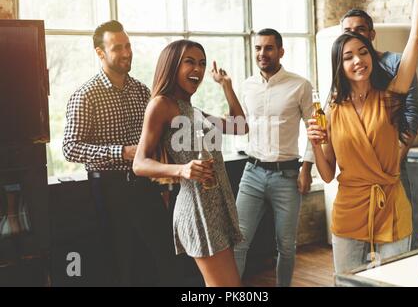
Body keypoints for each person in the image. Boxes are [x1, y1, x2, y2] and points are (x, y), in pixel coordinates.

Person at [307, 0, 418, 274]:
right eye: (348, 56)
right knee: (348, 282)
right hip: (349, 208)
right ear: (340, 64)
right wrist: (313, 143)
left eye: (363, 53)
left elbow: (416, 37)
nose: (358, 60)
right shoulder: (333, 109)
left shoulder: (390, 96)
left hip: (392, 206)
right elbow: (326, 174)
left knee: (394, 281)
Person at [63, 20, 179, 286]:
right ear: (100, 53)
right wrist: (122, 152)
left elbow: (157, 139)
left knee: (162, 258)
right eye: (117, 48)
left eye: (128, 45)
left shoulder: (141, 91)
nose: (127, 53)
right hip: (109, 189)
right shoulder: (85, 96)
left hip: (147, 186)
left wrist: (163, 185)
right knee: (119, 264)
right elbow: (70, 147)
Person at [133, 39, 247, 287]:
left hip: (216, 206)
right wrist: (182, 169)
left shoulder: (191, 110)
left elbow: (240, 125)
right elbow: (139, 163)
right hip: (197, 210)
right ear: (172, 65)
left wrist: (226, 86)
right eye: (190, 62)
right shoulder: (160, 105)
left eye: (202, 63)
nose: (198, 69)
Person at [233, 28, 315, 287]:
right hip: (252, 172)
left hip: (287, 175)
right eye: (258, 48)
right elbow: (239, 124)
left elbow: (314, 130)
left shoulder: (300, 85)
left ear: (281, 51)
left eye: (268, 48)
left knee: (286, 246)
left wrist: (306, 169)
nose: (262, 53)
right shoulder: (247, 85)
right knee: (238, 241)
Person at [340, 8, 418, 202]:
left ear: (372, 34)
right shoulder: (342, 70)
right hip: (357, 172)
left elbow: (411, 116)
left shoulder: (395, 63)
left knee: (398, 226)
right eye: (347, 30)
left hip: (392, 166)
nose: (353, 34)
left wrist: (392, 163)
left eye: (360, 29)